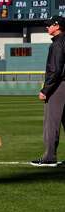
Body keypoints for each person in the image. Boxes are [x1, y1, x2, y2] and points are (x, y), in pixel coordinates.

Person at [32, 16, 65, 167]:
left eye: (49, 25)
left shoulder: (58, 44)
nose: (47, 27)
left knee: (51, 123)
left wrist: (45, 90)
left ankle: (49, 157)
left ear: (57, 26)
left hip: (59, 86)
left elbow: (55, 70)